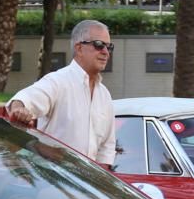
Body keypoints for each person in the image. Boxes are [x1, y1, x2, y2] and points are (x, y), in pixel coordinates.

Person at [6, 20, 116, 169]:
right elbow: (23, 99)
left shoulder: (104, 95)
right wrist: (18, 109)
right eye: (98, 44)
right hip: (54, 183)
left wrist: (101, 188)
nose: (105, 52)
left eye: (109, 46)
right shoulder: (57, 82)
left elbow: (106, 148)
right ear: (79, 48)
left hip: (89, 186)